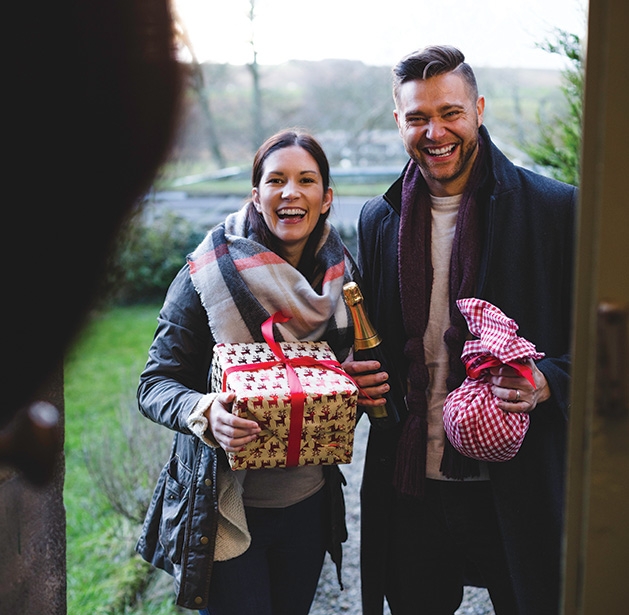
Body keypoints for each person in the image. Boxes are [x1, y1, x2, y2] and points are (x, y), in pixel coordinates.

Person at [343, 46, 576, 615]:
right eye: (418, 117)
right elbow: (375, 339)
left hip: (516, 480)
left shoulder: (554, 211)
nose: (435, 131)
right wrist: (356, 376)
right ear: (398, 121)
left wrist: (547, 380)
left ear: (479, 110)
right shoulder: (380, 218)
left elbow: (602, 343)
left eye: (450, 112)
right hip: (412, 481)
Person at [135, 130, 358, 614]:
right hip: (227, 510)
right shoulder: (208, 272)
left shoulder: (344, 279)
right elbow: (153, 383)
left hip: (308, 505)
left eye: (307, 180)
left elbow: (341, 394)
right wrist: (204, 410)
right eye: (275, 180)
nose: (290, 192)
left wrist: (357, 388)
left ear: (326, 199)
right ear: (256, 196)